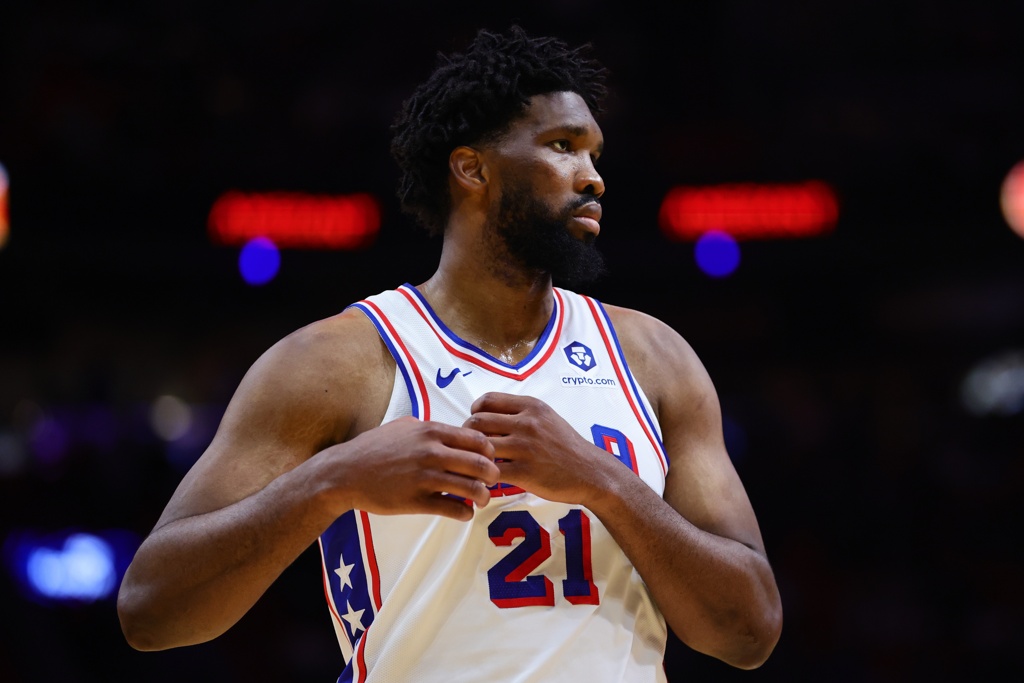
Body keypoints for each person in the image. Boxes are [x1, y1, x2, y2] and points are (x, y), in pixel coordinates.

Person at [117, 27, 782, 681]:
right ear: (472, 168)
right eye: (563, 147)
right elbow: (151, 610)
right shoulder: (340, 362)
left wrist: (602, 480)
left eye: (595, 155)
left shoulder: (654, 357)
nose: (593, 178)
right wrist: (331, 480)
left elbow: (751, 631)